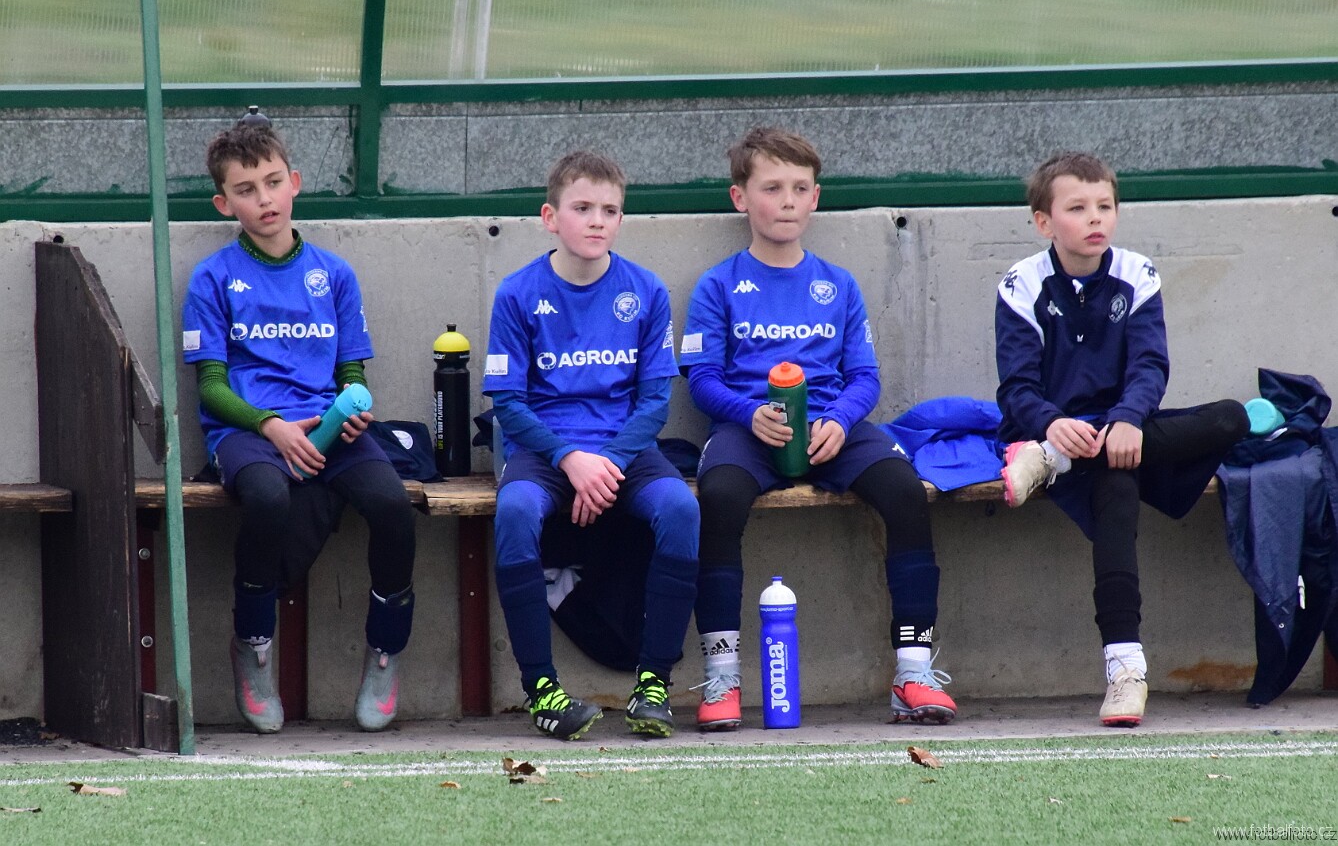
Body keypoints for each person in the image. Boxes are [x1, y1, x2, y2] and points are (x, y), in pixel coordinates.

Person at [680, 126, 956, 731]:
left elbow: (865, 378)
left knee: (906, 493)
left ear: (815, 198)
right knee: (718, 498)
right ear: (740, 198)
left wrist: (839, 419)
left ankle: (913, 672)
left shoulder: (839, 283)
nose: (787, 201)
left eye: (799, 188)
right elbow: (701, 379)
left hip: (832, 426)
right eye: (772, 188)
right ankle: (722, 677)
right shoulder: (719, 284)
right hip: (751, 430)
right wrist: (749, 413)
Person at [181, 111, 417, 735]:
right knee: (266, 498)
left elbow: (352, 372)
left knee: (393, 506)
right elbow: (211, 387)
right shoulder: (212, 278)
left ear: (295, 183)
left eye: (272, 182)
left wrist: (352, 411)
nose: (263, 199)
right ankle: (253, 646)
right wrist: (270, 426)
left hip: (328, 431)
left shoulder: (334, 274)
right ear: (224, 203)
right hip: (248, 434)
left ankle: (385, 653)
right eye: (245, 189)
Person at [995, 151, 1248, 727]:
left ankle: (1052, 462)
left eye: (1105, 206)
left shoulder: (1137, 272)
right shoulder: (1020, 284)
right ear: (1043, 221)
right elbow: (1016, 388)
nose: (1095, 218)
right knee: (1116, 486)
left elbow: (1150, 366)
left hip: (1126, 429)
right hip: (1058, 428)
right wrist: (1050, 425)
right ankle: (1126, 671)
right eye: (1077, 208)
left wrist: (1130, 418)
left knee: (1232, 418)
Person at [482, 150, 699, 740]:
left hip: (624, 452)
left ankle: (653, 686)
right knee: (515, 511)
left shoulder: (646, 290)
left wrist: (606, 461)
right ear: (550, 217)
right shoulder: (517, 293)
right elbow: (509, 404)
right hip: (545, 453)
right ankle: (542, 692)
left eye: (610, 210)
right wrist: (570, 459)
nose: (597, 220)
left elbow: (655, 403)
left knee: (681, 509)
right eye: (582, 208)